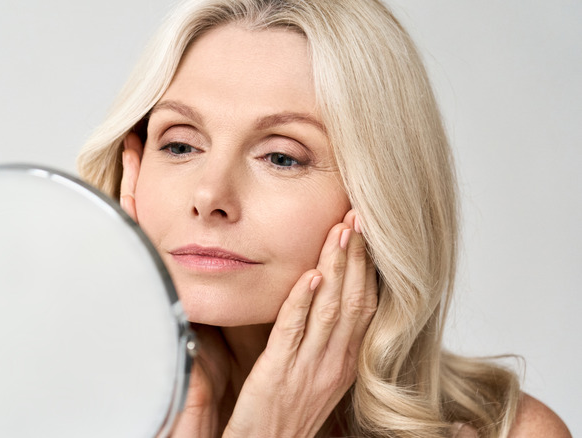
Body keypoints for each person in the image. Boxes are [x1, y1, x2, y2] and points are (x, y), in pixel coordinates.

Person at [77, 0, 571, 436]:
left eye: (281, 157)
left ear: (380, 198)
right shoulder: (59, 412)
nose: (209, 195)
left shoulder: (508, 433)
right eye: (180, 144)